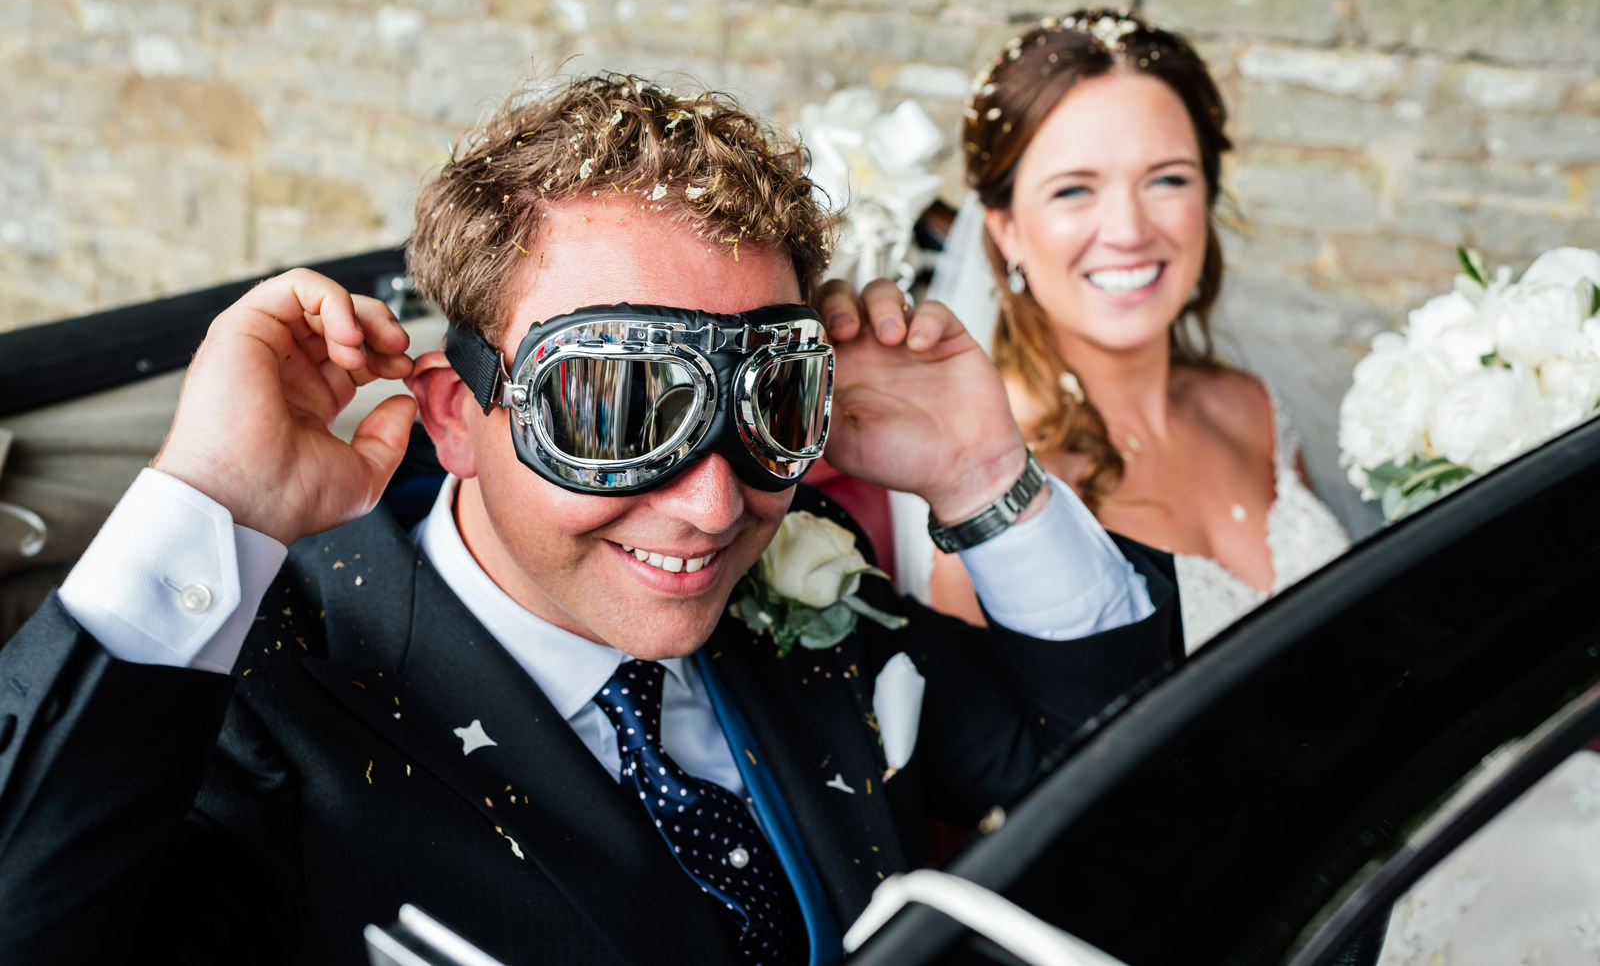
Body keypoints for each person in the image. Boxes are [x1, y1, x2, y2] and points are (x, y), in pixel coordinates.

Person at [0, 74, 1180, 965]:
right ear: (456, 416)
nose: (713, 506)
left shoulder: (810, 583)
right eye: (612, 412)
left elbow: (1132, 782)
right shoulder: (259, 704)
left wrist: (982, 477)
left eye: (771, 402)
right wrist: (210, 497)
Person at [924, 9, 1349, 651]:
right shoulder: (991, 488)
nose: (1128, 231)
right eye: (1074, 191)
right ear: (1005, 228)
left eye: (1167, 179)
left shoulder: (1252, 409)